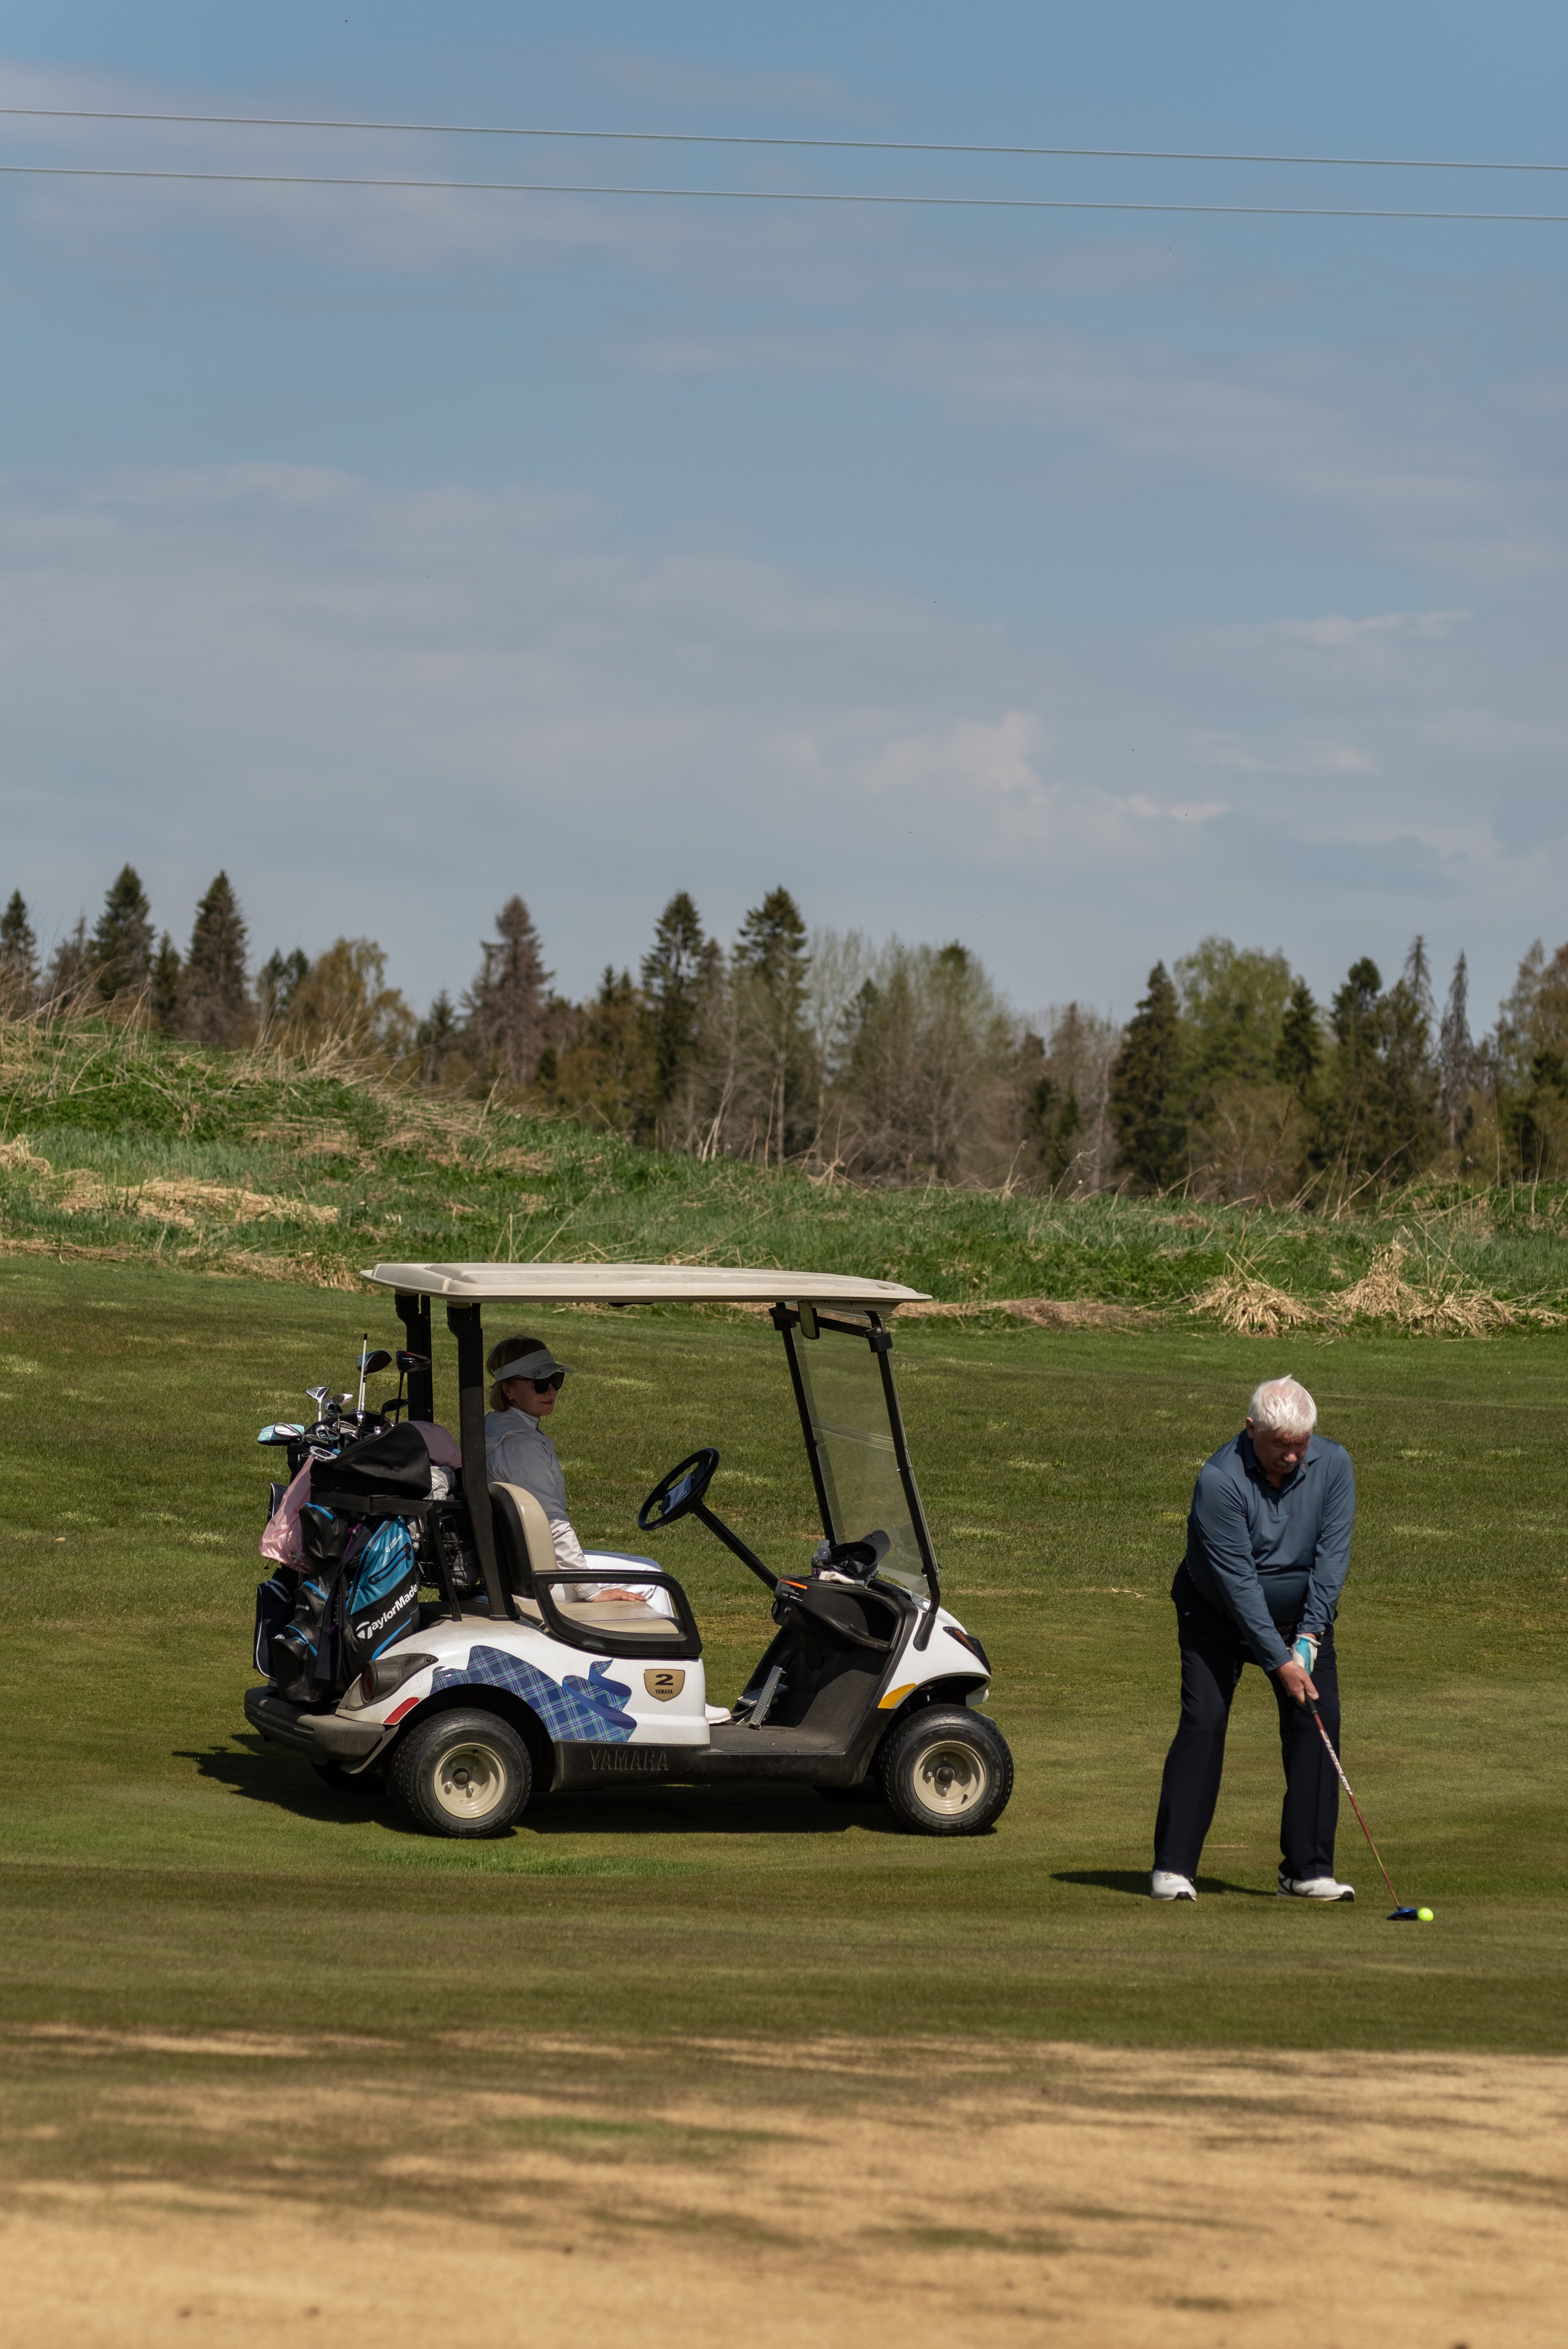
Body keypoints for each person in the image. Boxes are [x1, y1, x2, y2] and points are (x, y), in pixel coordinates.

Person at [1151, 1374, 1356, 1904]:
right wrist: (1279, 1661)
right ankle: (1173, 1869)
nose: (1291, 1457)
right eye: (1279, 1446)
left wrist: (1310, 1635)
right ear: (1250, 1430)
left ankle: (1307, 1870)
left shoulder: (1334, 1465)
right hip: (1215, 1617)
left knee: (1317, 1720)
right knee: (1204, 1721)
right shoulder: (1219, 1480)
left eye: (1300, 1446)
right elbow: (1239, 1584)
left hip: (1299, 1621)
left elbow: (1331, 1559)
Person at [483, 1333, 666, 1610]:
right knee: (652, 1578)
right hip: (532, 1573)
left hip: (519, 1560)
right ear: (508, 1388)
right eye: (540, 1383)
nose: (552, 1391)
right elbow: (552, 1523)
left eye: (556, 1380)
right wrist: (589, 1590)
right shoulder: (521, 1447)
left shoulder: (495, 1425)